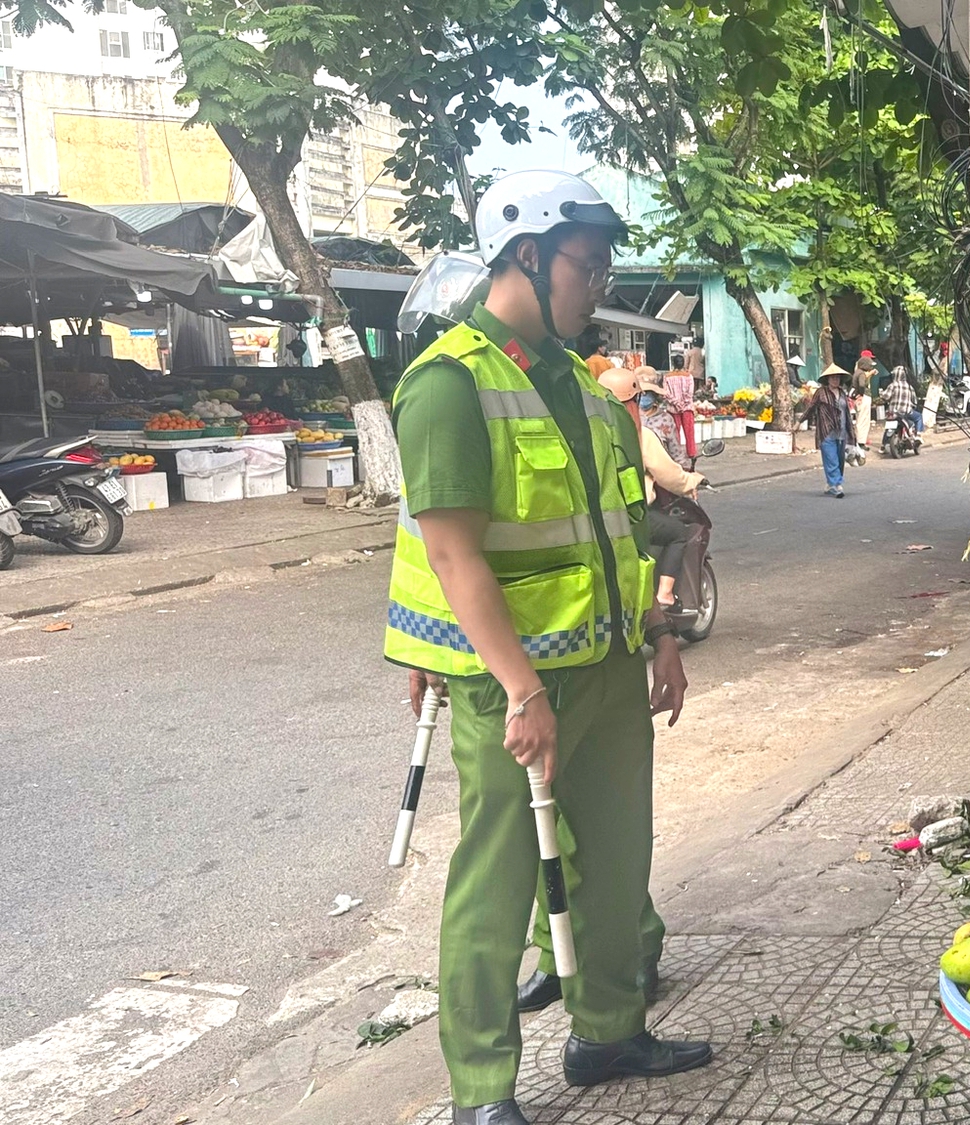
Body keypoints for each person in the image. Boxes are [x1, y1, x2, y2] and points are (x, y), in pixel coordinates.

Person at [383, 169, 710, 1125]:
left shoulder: (584, 389)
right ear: (527, 254)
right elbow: (448, 554)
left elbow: (622, 531)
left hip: (606, 666)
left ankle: (607, 1031)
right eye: (588, 265)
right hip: (513, 687)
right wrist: (520, 689)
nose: (598, 286)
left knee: (616, 858)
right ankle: (482, 1090)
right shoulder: (449, 384)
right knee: (498, 880)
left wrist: (662, 634)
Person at [598, 366, 705, 613]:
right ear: (632, 400)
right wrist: (693, 481)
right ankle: (665, 594)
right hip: (631, 517)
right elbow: (669, 474)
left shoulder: (590, 431)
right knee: (678, 533)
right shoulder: (638, 434)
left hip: (597, 519)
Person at [808, 365, 855, 497]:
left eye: (837, 378)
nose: (835, 380)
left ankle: (830, 484)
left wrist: (851, 432)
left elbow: (847, 413)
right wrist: (798, 423)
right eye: (833, 378)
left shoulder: (842, 393)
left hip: (841, 432)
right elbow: (811, 408)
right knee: (831, 459)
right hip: (826, 432)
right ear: (828, 379)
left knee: (839, 461)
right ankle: (837, 486)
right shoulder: (821, 393)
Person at [882, 365, 921, 441]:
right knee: (919, 416)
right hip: (906, 412)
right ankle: (918, 434)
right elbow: (914, 401)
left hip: (892, 412)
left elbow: (886, 397)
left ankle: (884, 443)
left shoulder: (892, 385)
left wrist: (882, 395)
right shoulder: (910, 387)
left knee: (888, 425)